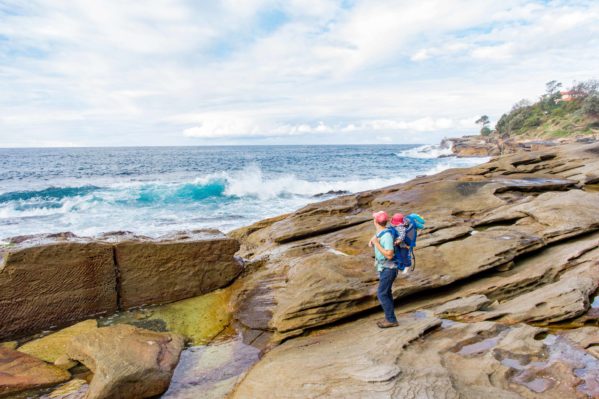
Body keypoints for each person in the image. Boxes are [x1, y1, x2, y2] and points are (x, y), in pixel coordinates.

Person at [369, 211, 399, 328]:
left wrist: (376, 244)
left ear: (375, 221)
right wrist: (373, 240)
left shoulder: (386, 236)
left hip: (389, 269)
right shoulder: (382, 232)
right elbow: (378, 236)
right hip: (384, 268)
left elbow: (390, 255)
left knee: (382, 294)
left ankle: (391, 320)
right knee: (386, 293)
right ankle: (390, 317)